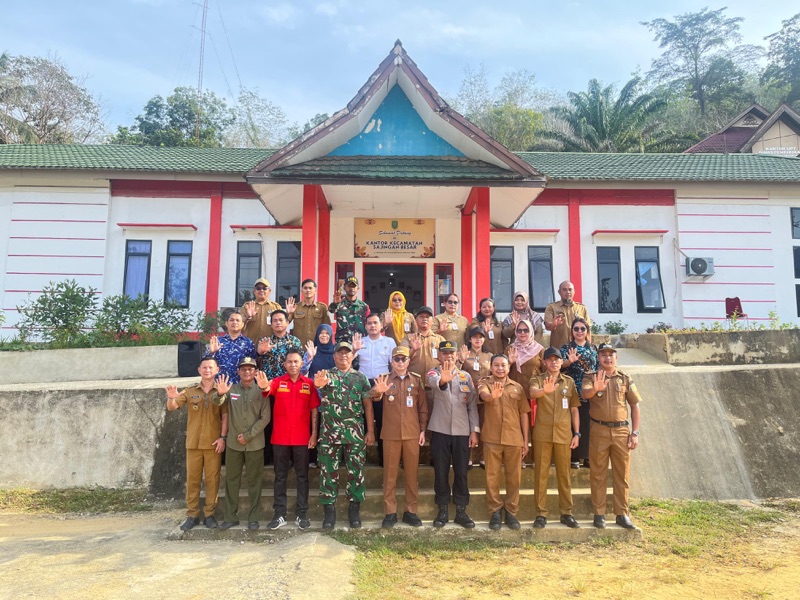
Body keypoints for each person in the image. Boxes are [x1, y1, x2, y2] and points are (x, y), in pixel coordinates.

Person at [313, 341, 375, 529]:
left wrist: (370, 431)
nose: (343, 356)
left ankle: (354, 510)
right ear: (334, 356)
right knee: (327, 472)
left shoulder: (360, 378)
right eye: (339, 353)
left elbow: (367, 405)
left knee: (356, 472)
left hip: (354, 434)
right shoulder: (326, 375)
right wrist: (318, 385)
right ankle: (329, 512)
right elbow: (317, 389)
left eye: (347, 353)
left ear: (352, 356)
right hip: (329, 433)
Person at [582, 343, 642, 530]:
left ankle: (622, 514)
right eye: (603, 355)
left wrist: (635, 433)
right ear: (598, 358)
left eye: (611, 355)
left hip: (621, 432)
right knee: (598, 474)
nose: (607, 358)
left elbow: (635, 406)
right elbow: (585, 394)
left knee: (621, 474)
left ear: (616, 357)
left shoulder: (624, 378)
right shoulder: (590, 377)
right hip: (599, 430)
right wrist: (596, 388)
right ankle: (599, 513)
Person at [165, 356, 229, 531]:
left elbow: (225, 416)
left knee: (212, 480)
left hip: (213, 443)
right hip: (193, 443)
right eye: (204, 367)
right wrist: (171, 398)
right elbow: (172, 407)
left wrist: (223, 437)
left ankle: (209, 515)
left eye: (211, 367)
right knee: (192, 480)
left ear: (217, 370)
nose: (207, 370)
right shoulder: (190, 390)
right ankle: (192, 515)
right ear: (199, 370)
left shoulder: (221, 389)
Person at [369, 346, 428, 528]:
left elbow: (422, 407)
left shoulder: (416, 380)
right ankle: (390, 512)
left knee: (412, 474)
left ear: (409, 361)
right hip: (391, 434)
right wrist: (378, 391)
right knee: (390, 475)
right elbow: (373, 397)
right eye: (397, 359)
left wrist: (423, 430)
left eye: (403, 359)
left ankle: (411, 511)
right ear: (392, 361)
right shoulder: (384, 379)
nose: (400, 362)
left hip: (412, 433)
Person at [266, 348, 321, 530]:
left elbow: (314, 410)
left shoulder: (309, 384)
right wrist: (263, 385)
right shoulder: (278, 382)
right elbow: (267, 389)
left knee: (302, 476)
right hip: (280, 438)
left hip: (302, 438)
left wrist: (314, 434)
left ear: (302, 363)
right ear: (284, 364)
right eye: (289, 362)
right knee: (280, 477)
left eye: (296, 361)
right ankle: (279, 514)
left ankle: (301, 514)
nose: (293, 365)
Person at [426, 340, 479, 529]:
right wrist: (443, 380)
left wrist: (474, 431)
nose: (448, 356)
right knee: (440, 471)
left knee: (461, 471)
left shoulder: (466, 376)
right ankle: (442, 510)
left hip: (462, 431)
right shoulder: (433, 373)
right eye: (445, 353)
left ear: (457, 355)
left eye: (451, 353)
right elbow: (433, 383)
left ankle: (461, 511)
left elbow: (472, 405)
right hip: (440, 429)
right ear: (439, 356)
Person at [529, 348, 581, 529]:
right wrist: (544, 390)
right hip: (542, 434)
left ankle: (566, 513)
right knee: (540, 475)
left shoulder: (569, 382)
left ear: (561, 362)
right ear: (544, 362)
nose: (553, 362)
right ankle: (540, 514)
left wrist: (577, 433)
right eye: (549, 359)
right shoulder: (537, 379)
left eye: (556, 359)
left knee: (564, 475)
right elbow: (533, 393)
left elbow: (574, 409)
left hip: (563, 434)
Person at [217, 357, 271, 531]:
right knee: (231, 481)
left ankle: (254, 518)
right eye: (244, 369)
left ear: (255, 372)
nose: (247, 371)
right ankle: (230, 517)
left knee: (255, 482)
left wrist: (248, 436)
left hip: (255, 444)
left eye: (250, 369)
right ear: (238, 371)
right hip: (234, 444)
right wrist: (220, 394)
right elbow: (218, 404)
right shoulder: (231, 389)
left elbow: (265, 418)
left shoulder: (262, 391)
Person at [478, 354, 530, 530]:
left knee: (514, 477)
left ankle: (511, 511)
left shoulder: (517, 387)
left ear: (508, 367)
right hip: (491, 438)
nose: (500, 368)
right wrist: (492, 396)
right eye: (496, 365)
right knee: (491, 477)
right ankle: (495, 511)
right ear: (491, 367)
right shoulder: (485, 383)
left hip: (514, 438)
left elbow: (524, 413)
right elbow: (483, 396)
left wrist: (525, 440)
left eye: (503, 365)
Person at [355, 313, 396, 466]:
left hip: (382, 382)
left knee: (382, 421)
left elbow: (394, 364)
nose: (372, 326)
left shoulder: (389, 342)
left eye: (375, 323)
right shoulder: (360, 342)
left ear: (381, 325)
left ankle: (384, 459)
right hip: (363, 383)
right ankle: (359, 459)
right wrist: (354, 350)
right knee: (361, 420)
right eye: (369, 323)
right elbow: (349, 361)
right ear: (365, 326)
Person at [560, 317, 597, 469]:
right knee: (572, 423)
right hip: (571, 390)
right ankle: (574, 456)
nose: (579, 331)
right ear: (572, 331)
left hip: (589, 391)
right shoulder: (566, 348)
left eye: (583, 328)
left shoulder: (593, 349)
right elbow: (558, 366)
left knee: (588, 423)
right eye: (576, 329)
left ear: (587, 331)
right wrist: (569, 361)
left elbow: (598, 368)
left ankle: (588, 456)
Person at [457, 327, 492, 469]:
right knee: (468, 428)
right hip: (467, 396)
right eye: (475, 337)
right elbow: (455, 371)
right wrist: (461, 360)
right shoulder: (464, 353)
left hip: (484, 397)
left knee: (484, 427)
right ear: (470, 339)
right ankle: (468, 457)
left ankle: (483, 457)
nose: (478, 339)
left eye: (480, 337)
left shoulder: (489, 355)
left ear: (484, 339)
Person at [401, 306, 445, 416]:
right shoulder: (408, 338)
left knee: (433, 417)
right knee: (413, 416)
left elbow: (447, 360)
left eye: (427, 317)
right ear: (416, 320)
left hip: (433, 386)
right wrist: (413, 350)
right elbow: (401, 359)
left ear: (432, 321)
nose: (424, 319)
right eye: (421, 316)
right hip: (413, 386)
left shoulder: (439, 339)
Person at [207, 310, 257, 384]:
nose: (234, 322)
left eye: (237, 320)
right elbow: (205, 362)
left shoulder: (248, 343)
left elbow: (253, 364)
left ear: (242, 324)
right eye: (232, 320)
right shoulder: (218, 342)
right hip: (221, 384)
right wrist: (211, 352)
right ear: (226, 323)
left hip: (241, 385)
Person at [545, 281, 591, 351]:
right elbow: (548, 327)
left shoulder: (581, 308)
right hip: (559, 350)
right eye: (564, 290)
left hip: (579, 350)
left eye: (570, 289)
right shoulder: (551, 307)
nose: (568, 292)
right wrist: (554, 324)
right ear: (559, 292)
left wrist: (588, 347)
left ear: (574, 291)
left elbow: (588, 330)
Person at [286, 278, 331, 348]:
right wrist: (288, 313)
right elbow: (285, 323)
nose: (308, 290)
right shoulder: (295, 307)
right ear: (302, 290)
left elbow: (327, 328)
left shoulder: (322, 307)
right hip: (299, 347)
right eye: (305, 288)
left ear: (315, 290)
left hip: (316, 347)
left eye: (310, 288)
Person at [257, 310, 302, 380]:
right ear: (271, 324)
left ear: (287, 323)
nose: (278, 323)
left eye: (281, 320)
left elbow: (300, 363)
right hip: (269, 381)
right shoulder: (265, 341)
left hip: (289, 381)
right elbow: (256, 361)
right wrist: (260, 352)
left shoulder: (295, 341)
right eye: (275, 321)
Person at [242, 278, 283, 345]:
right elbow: (240, 326)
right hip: (251, 346)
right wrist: (248, 316)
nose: (261, 290)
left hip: (271, 346)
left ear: (269, 291)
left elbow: (283, 326)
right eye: (258, 288)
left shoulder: (276, 307)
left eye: (264, 288)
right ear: (254, 291)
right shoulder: (247, 306)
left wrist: (288, 313)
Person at [506, 319, 544, 390]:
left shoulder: (539, 349)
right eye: (519, 330)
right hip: (515, 389)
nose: (522, 333)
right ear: (516, 332)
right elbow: (502, 371)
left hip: (534, 389)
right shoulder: (510, 349)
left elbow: (545, 371)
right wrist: (510, 363)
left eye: (526, 330)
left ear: (531, 331)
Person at [328, 276, 370, 343]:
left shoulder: (364, 306)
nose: (352, 288)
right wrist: (335, 304)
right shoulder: (339, 304)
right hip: (342, 342)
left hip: (360, 341)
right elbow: (331, 310)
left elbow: (369, 323)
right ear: (344, 288)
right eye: (349, 286)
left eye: (354, 286)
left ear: (358, 288)